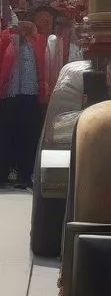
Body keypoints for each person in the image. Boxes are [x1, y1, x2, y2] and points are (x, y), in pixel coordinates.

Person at [0, 15, 48, 187]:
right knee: (7, 135)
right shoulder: (7, 39)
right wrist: (11, 35)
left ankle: (26, 173)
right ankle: (5, 172)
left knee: (29, 135)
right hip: (9, 94)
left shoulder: (37, 42)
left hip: (30, 94)